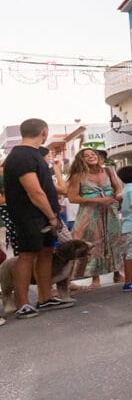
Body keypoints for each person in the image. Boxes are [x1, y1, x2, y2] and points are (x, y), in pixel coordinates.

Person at [2, 119, 72, 318]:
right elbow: (34, 191)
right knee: (26, 256)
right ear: (44, 132)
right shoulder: (22, 156)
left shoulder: (32, 155)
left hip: (42, 215)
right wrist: (51, 216)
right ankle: (22, 304)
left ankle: (45, 297)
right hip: (30, 216)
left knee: (46, 253)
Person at [65, 147, 123, 289]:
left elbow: (118, 187)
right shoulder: (78, 175)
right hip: (89, 214)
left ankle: (117, 273)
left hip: (110, 211)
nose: (91, 156)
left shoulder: (109, 171)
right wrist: (98, 200)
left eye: (93, 154)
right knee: (91, 244)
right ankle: (94, 278)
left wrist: (117, 196)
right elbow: (72, 198)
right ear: (81, 159)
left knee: (114, 241)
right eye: (86, 155)